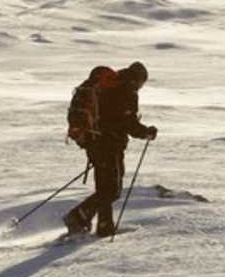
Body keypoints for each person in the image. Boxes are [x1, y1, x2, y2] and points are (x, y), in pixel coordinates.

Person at [64, 61, 156, 237]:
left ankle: (105, 227)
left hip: (93, 142)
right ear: (138, 79)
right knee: (112, 190)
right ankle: (77, 216)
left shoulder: (108, 85)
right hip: (109, 145)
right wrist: (147, 133)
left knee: (104, 188)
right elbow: (128, 123)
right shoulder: (126, 90)